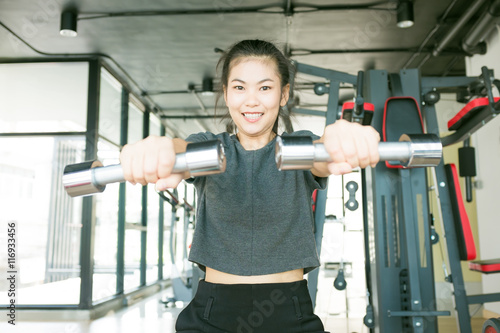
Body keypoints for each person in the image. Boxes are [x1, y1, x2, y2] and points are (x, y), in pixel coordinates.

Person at [120, 39, 380, 333]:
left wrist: (338, 140)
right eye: (240, 87)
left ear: (284, 95)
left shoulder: (296, 150)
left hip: (289, 310)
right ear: (227, 94)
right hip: (212, 312)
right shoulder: (211, 149)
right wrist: (163, 148)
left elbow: (322, 153)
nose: (251, 100)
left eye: (265, 88)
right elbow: (181, 150)